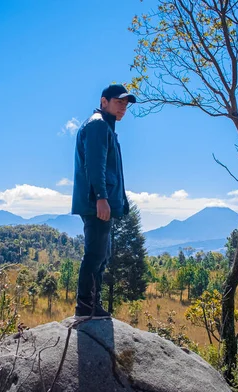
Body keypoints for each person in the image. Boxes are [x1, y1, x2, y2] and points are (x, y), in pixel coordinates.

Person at [71, 84, 136, 320]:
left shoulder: (105, 127)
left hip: (101, 201)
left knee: (102, 254)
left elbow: (110, 169)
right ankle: (86, 305)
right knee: (95, 254)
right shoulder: (98, 124)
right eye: (119, 102)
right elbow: (95, 165)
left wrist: (119, 201)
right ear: (104, 101)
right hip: (96, 202)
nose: (123, 108)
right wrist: (101, 198)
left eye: (126, 104)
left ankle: (92, 303)